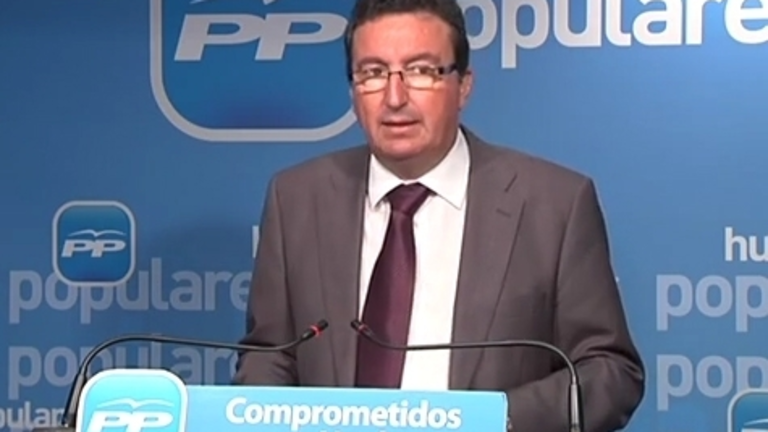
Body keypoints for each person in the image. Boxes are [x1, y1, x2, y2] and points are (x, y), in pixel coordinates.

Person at [233, 0, 645, 430]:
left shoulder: (553, 205)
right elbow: (269, 357)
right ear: (352, 90)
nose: (395, 98)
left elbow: (610, 373)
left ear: (463, 85)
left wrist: (493, 420)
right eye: (373, 73)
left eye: (420, 71)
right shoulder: (296, 199)